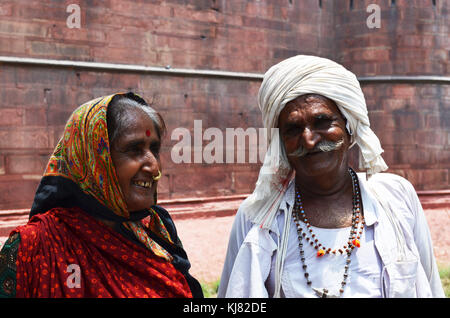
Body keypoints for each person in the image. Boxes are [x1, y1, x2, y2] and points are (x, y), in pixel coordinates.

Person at [218, 55, 445, 298]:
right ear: (281, 142)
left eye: (322, 122)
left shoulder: (396, 198)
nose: (308, 138)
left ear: (349, 128)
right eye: (293, 129)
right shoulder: (258, 219)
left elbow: (430, 287)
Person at [0, 92, 203, 298]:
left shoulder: (157, 231)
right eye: (134, 149)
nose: (154, 166)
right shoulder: (32, 247)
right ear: (93, 158)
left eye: (155, 149)